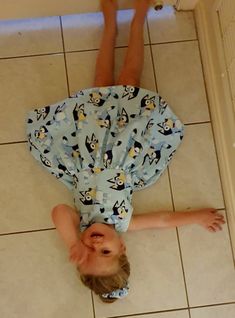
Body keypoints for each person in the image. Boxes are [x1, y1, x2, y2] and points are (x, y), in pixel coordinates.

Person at [26, 0, 225, 303]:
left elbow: (58, 212)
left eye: (88, 250)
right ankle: (137, 23)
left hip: (87, 145)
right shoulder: (124, 222)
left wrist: (72, 242)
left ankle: (110, 28)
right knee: (129, 81)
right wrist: (197, 217)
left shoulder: (77, 222)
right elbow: (163, 220)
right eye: (104, 251)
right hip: (127, 149)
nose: (94, 244)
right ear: (122, 246)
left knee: (101, 83)